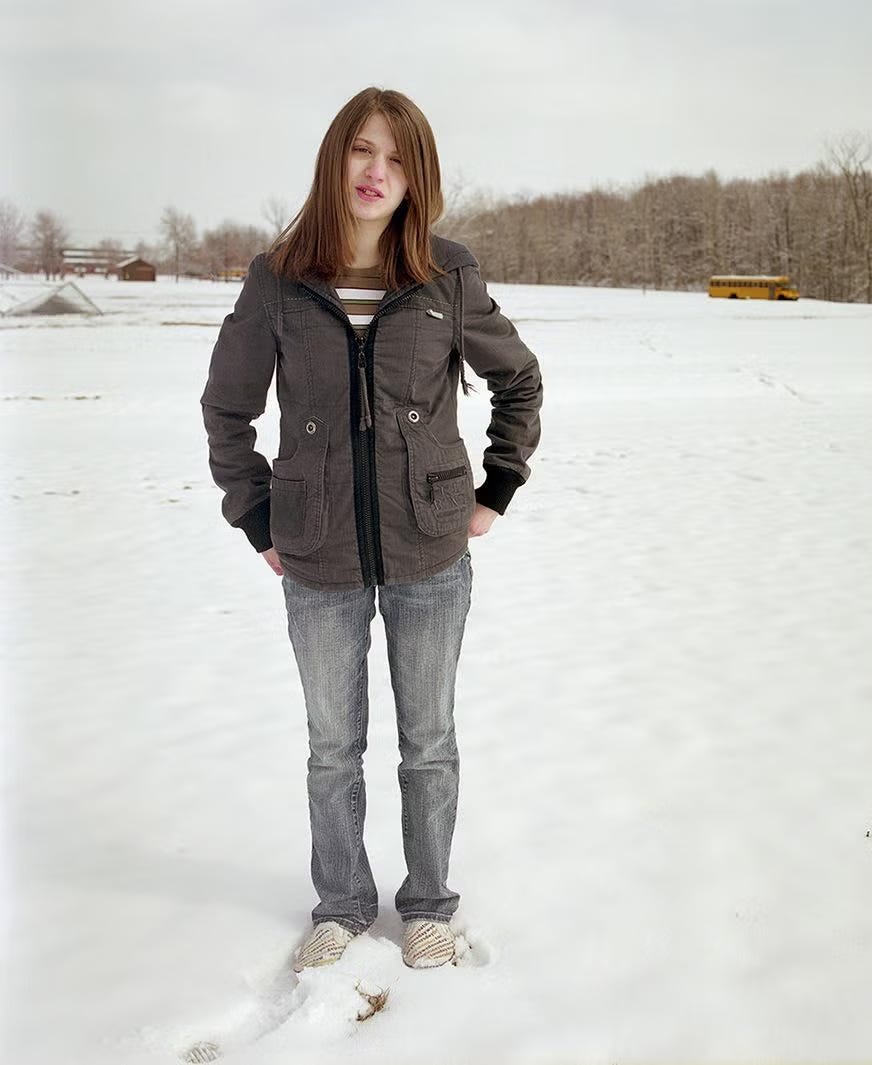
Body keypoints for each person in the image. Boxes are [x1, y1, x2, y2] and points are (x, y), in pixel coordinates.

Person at [199, 87, 543, 972]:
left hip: (430, 548)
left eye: (394, 156)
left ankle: (426, 905)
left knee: (428, 743)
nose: (375, 170)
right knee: (331, 747)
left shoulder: (445, 273)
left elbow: (520, 382)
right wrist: (256, 515)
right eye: (360, 149)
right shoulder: (278, 279)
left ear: (416, 173)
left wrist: (495, 488)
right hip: (316, 555)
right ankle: (342, 905)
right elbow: (226, 409)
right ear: (335, 159)